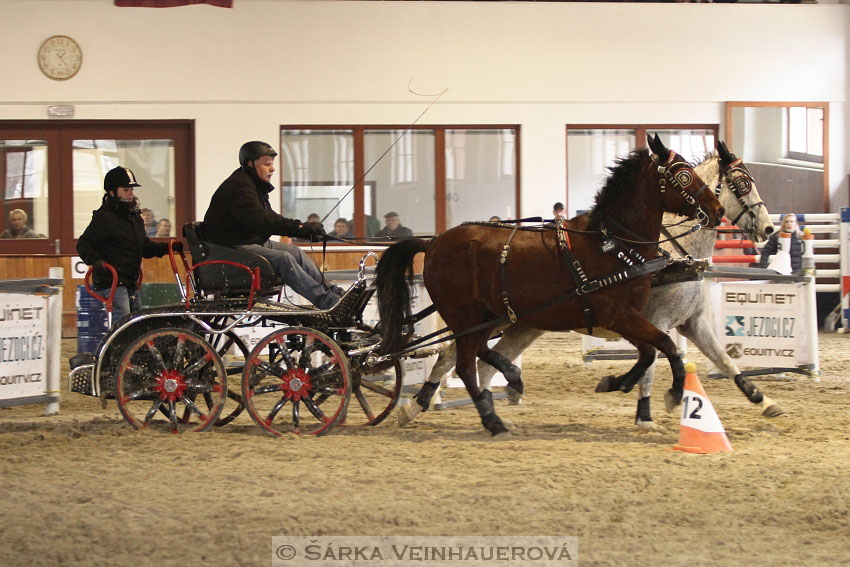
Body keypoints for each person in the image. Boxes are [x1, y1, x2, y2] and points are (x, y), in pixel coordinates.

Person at [202, 141, 342, 310]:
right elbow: (260, 221)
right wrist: (299, 229)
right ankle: (329, 303)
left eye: (272, 164)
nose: (272, 169)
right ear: (250, 164)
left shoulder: (253, 185)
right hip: (229, 247)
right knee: (283, 258)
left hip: (247, 242)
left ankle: (333, 292)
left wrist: (302, 229)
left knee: (295, 251)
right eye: (267, 164)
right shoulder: (239, 187)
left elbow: (269, 217)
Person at [77, 166, 178, 324]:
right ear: (112, 192)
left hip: (130, 281)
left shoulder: (134, 217)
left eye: (131, 189)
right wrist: (97, 261)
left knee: (137, 324)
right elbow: (84, 244)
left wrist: (168, 247)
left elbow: (144, 247)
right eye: (126, 190)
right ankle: (119, 349)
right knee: (124, 324)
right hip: (113, 282)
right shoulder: (104, 218)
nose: (131, 193)